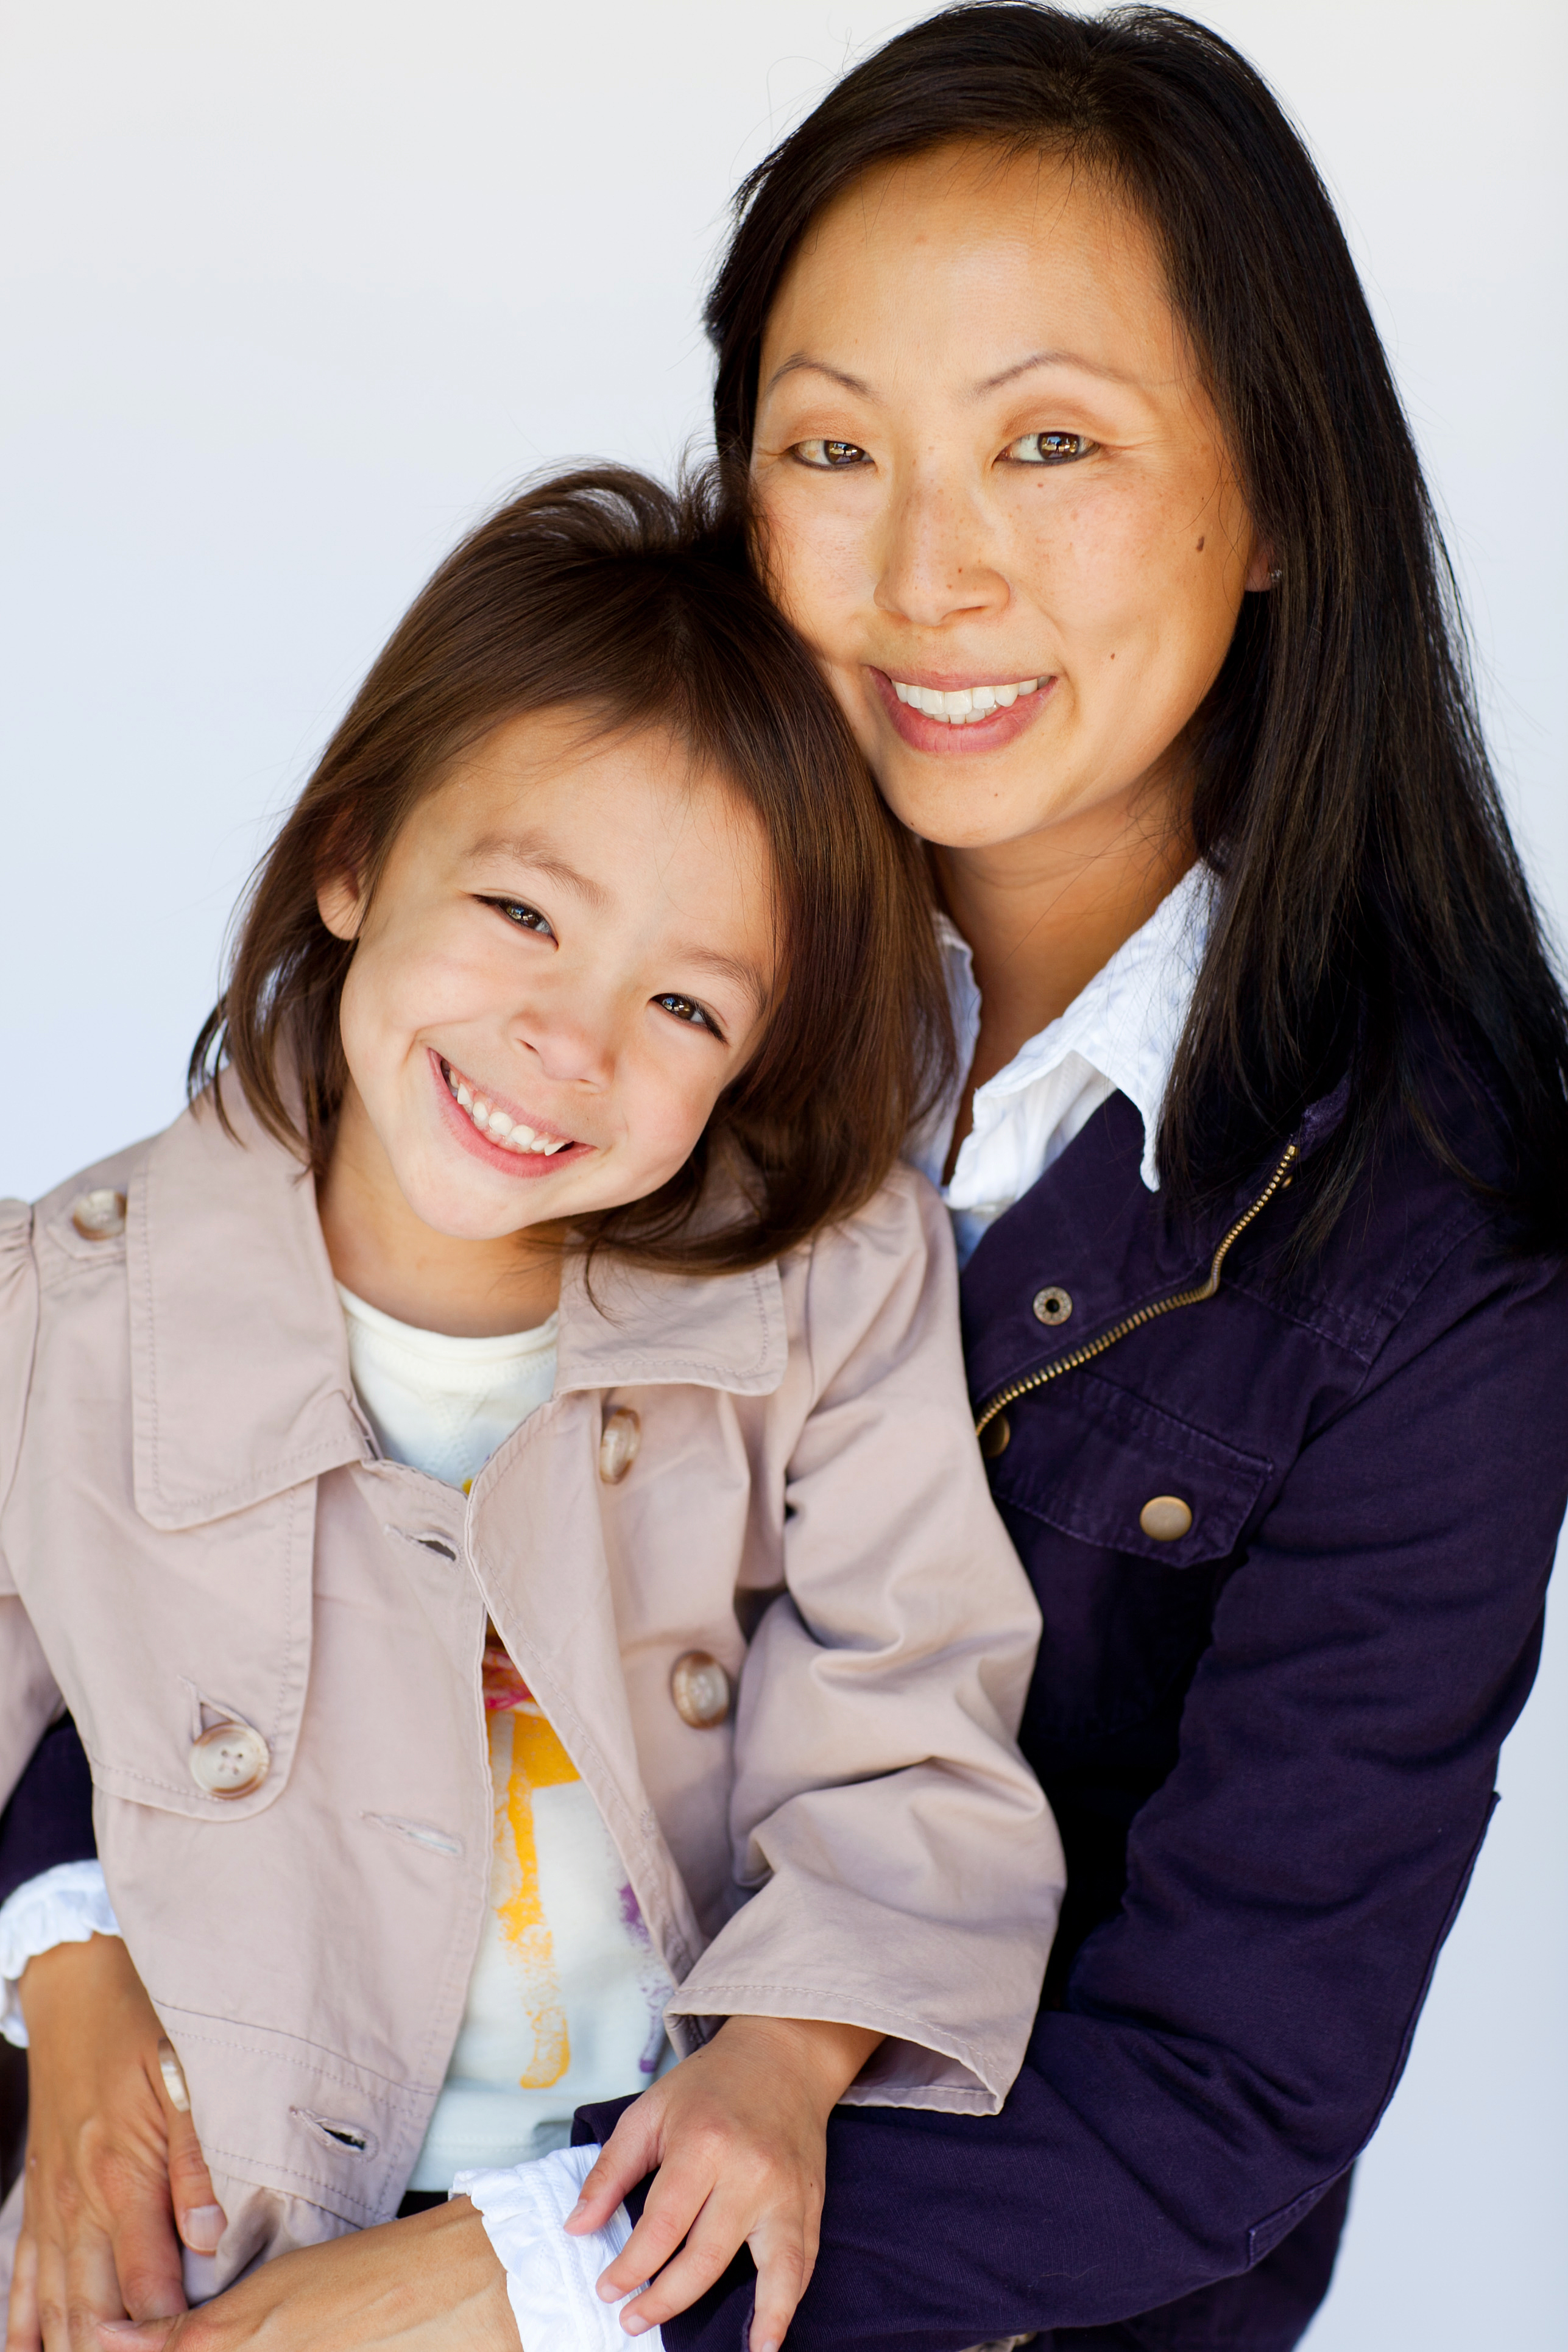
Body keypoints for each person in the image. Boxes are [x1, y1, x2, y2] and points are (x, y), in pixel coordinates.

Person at [7, 5, 1568, 2349]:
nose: (930, 568)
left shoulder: (1435, 1262)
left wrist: (504, 2293)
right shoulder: (567, 1001)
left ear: (1281, 501)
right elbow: (114, 1509)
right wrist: (77, 1949)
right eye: (835, 446)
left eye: (1052, 442)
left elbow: (1221, 2097)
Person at [0, 464, 1065, 2352]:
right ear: (351, 859)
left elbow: (913, 1721)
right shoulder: (64, 1306)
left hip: (619, 2233)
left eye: (685, 1009)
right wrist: (70, 1986)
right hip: (210, 2237)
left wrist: (788, 2054)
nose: (568, 1042)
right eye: (519, 909)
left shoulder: (828, 1293)